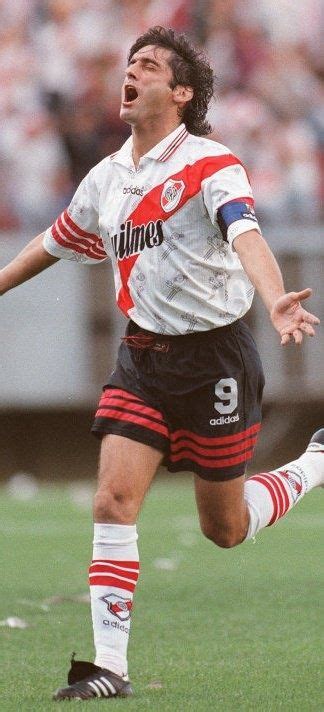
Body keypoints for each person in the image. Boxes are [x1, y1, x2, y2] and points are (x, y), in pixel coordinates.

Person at [0, 26, 322, 702]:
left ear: (179, 93)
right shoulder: (107, 178)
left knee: (224, 529)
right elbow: (55, 241)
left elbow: (246, 234)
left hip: (217, 359)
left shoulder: (211, 164)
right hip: (143, 357)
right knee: (113, 500)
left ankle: (316, 462)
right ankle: (107, 668)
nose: (132, 71)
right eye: (130, 63)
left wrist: (276, 304)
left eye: (148, 65)